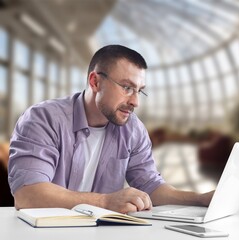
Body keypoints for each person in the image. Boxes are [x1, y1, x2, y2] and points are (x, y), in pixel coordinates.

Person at [8, 45, 213, 213]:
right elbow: (28, 195)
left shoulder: (133, 129)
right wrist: (105, 203)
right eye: (126, 88)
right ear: (95, 81)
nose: (135, 102)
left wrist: (200, 199)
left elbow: (151, 185)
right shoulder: (43, 119)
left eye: (139, 91)